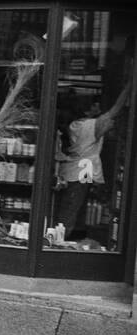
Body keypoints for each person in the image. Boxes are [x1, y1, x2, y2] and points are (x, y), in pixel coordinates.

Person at [54, 80, 131, 240]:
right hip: (82, 172)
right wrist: (129, 85)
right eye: (95, 105)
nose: (98, 106)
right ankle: (59, 240)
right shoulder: (89, 125)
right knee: (72, 209)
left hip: (73, 170)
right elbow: (115, 110)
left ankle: (64, 237)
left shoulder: (75, 125)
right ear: (87, 110)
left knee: (72, 207)